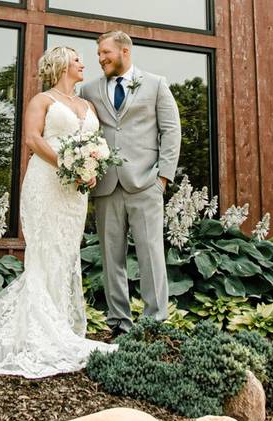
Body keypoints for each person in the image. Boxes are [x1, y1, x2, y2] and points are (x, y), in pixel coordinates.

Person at [0, 46, 116, 378]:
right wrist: (68, 165)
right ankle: (40, 330)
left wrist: (89, 169)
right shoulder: (42, 101)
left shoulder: (86, 105)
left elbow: (93, 144)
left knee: (66, 252)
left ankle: (60, 324)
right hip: (46, 182)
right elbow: (32, 139)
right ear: (61, 65)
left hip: (74, 192)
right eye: (77, 59)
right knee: (44, 253)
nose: (84, 63)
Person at [80, 31, 181, 338]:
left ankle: (154, 324)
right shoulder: (88, 90)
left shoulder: (156, 84)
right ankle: (119, 325)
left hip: (146, 183)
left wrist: (162, 179)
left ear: (125, 51)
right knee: (111, 258)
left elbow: (171, 131)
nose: (101, 59)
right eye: (98, 54)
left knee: (151, 255)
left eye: (106, 53)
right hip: (107, 186)